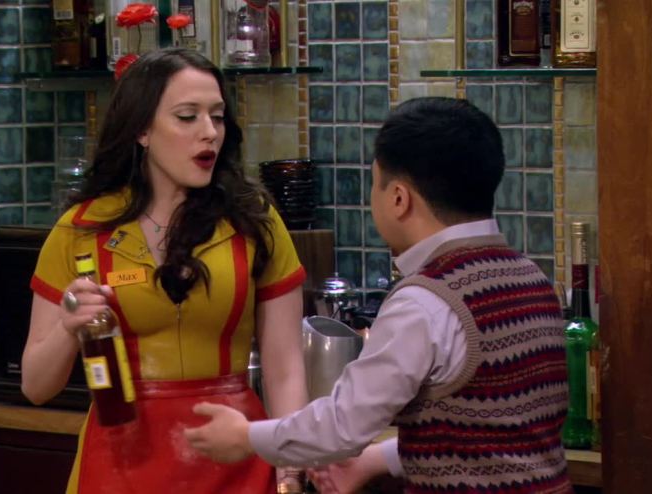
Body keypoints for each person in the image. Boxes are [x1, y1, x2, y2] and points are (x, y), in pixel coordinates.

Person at [185, 97, 573, 493]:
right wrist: (377, 459)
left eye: (375, 184)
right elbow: (494, 432)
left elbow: (342, 426)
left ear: (399, 198)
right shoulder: (533, 279)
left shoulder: (424, 302)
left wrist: (247, 437)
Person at [20, 47, 309, 494]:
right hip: (119, 463)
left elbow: (285, 368)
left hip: (235, 458)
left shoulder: (255, 222)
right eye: (187, 117)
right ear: (142, 130)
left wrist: (291, 466)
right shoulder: (81, 229)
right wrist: (68, 326)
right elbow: (36, 386)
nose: (209, 132)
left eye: (217, 117)